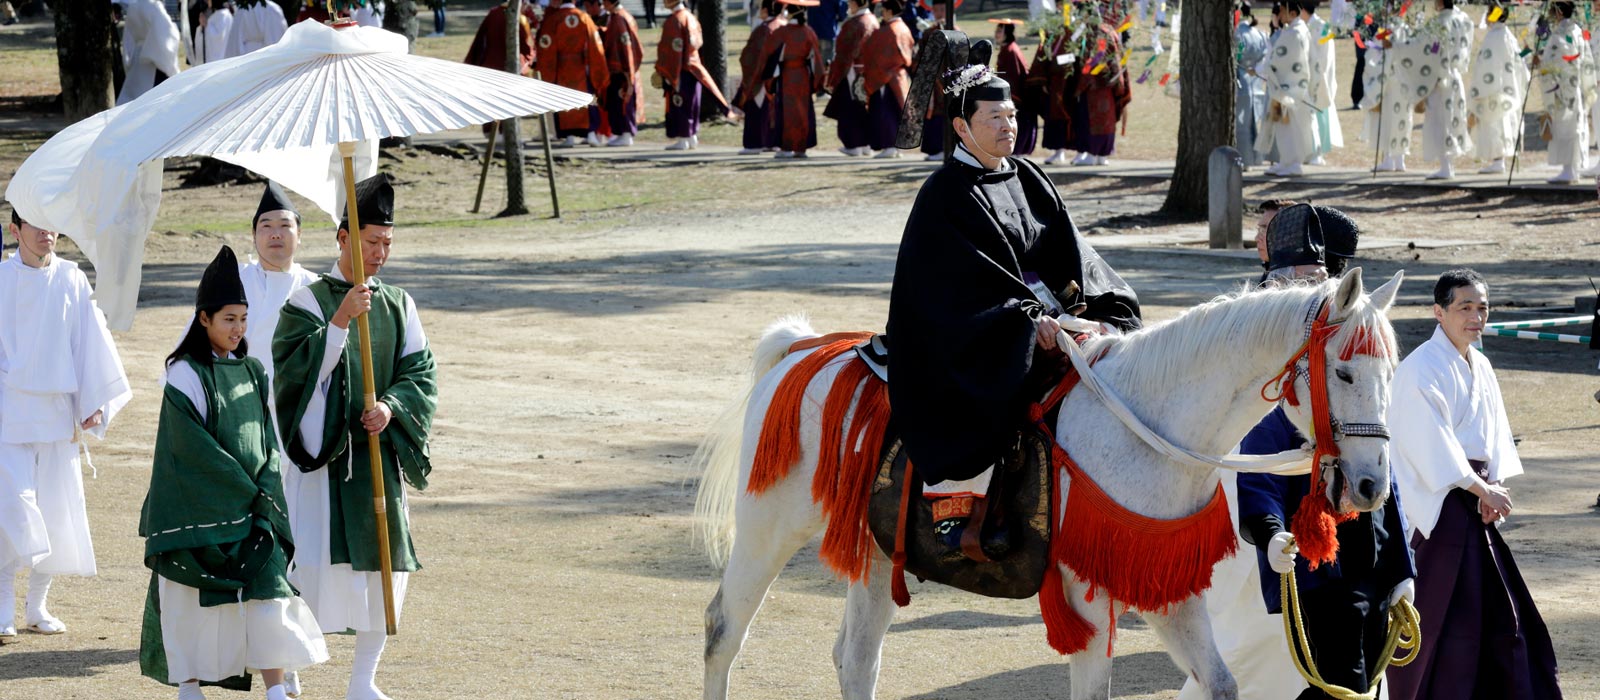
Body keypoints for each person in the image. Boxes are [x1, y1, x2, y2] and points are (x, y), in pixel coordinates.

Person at [885, 60, 1141, 548]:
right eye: (994, 119)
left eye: (1012, 116)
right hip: (970, 326)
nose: (1008, 127)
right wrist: (1028, 320)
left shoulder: (1026, 172)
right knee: (997, 377)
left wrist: (1089, 302)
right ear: (962, 127)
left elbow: (1067, 246)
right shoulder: (945, 193)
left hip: (1042, 307)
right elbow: (959, 285)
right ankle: (966, 503)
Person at [1236, 205, 1416, 700]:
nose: (1313, 288)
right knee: (1344, 686)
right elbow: (1259, 475)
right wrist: (1271, 534)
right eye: (1300, 280)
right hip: (1315, 569)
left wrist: (1401, 570)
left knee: (1358, 685)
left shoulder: (1353, 354)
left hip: (1371, 561)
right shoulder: (1280, 381)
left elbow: (1385, 477)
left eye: (1319, 277)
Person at [273, 175, 438, 700]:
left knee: (384, 573)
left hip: (377, 461)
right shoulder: (307, 302)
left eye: (388, 242)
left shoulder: (399, 304)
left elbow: (421, 374)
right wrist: (339, 323)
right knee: (310, 568)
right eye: (371, 241)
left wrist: (390, 407)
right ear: (343, 238)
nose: (381, 252)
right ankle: (289, 665)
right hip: (325, 465)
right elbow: (291, 377)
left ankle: (363, 679)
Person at [138, 246, 328, 700]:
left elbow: (266, 440)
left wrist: (264, 487)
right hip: (196, 506)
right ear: (203, 319)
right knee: (189, 600)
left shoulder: (255, 371)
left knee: (269, 594)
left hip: (252, 506)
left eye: (243, 319)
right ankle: (188, 686)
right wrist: (241, 490)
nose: (238, 329)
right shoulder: (184, 373)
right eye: (229, 319)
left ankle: (276, 688)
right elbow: (188, 448)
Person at [1386, 269, 1566, 699]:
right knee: (1442, 616)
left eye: (1482, 307)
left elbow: (1494, 433)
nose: (1475, 316)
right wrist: (1479, 489)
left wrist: (1494, 483)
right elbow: (1427, 440)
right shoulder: (1419, 369)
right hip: (1443, 505)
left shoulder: (1480, 364)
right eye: (1464, 307)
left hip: (1475, 500)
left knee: (1501, 613)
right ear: (1438, 311)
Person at [0, 207, 132, 638]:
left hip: (56, 413)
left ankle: (37, 606)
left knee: (56, 510)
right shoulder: (1, 280)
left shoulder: (72, 278)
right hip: (8, 412)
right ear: (15, 230)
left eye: (51, 223)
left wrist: (93, 402)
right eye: (35, 225)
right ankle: (3, 604)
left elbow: (88, 340)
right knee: (14, 506)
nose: (47, 233)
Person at [656, 0, 730, 150]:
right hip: (694, 66)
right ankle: (691, 136)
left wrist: (672, 74)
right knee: (692, 103)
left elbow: (675, 49)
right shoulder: (691, 17)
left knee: (682, 103)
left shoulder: (675, 20)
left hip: (681, 68)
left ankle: (684, 138)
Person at [537, 0, 610, 147]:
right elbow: (595, 45)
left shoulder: (553, 20)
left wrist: (549, 70)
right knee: (586, 100)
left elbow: (545, 46)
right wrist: (596, 66)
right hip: (582, 67)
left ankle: (569, 137)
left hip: (561, 67)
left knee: (564, 100)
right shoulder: (584, 18)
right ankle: (590, 135)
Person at [1538, 1, 1595, 184]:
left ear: (1560, 12)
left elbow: (1552, 62)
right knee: (1574, 127)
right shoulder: (1578, 31)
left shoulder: (1559, 35)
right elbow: (1587, 61)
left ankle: (1569, 170)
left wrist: (1540, 63)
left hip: (1561, 89)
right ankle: (1572, 169)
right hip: (1575, 87)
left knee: (1565, 128)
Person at [761, 0, 826, 159]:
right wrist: (816, 80)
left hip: (787, 75)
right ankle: (801, 148)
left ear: (789, 12)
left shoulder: (782, 32)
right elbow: (816, 59)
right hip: (803, 75)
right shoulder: (808, 31)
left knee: (786, 111)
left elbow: (770, 55)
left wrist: (771, 77)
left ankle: (786, 147)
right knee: (803, 110)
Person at [1468, 4, 1526, 175]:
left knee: (1495, 125)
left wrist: (1478, 90)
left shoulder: (1494, 37)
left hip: (1492, 90)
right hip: (1505, 89)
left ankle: (1498, 160)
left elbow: (1487, 66)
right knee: (1503, 124)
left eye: (1488, 12)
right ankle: (1499, 160)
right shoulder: (1508, 35)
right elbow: (1519, 61)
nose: (1485, 16)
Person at [1258, 0, 1315, 177]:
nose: (1280, 15)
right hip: (1290, 86)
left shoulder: (1294, 33)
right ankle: (1286, 161)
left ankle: (1293, 163)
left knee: (1290, 127)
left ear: (1292, 13)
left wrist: (1265, 68)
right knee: (1284, 127)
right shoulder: (1298, 30)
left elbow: (1280, 60)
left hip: (1289, 88)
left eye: (1282, 11)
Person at [1419, 0, 1474, 180]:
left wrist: (1432, 74)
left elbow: (1435, 50)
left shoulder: (1441, 23)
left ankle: (1446, 165)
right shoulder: (1461, 20)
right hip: (1455, 76)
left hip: (1441, 78)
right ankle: (1448, 164)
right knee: (1452, 118)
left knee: (1441, 120)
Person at [1068, 19, 1132, 166]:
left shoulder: (1100, 33)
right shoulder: (1106, 31)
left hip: (1097, 86)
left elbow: (1100, 58)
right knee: (1100, 120)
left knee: (1097, 120)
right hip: (1104, 86)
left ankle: (1095, 153)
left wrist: (1086, 80)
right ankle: (1100, 155)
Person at [825, 0, 878, 157]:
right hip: (868, 71)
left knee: (849, 109)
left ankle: (853, 144)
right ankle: (866, 144)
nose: (848, 5)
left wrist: (834, 74)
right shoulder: (873, 20)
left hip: (851, 71)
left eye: (850, 2)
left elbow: (844, 53)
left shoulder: (854, 24)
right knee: (864, 107)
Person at [861, 0, 914, 158]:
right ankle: (896, 147)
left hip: (885, 76)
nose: (881, 13)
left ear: (889, 11)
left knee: (886, 111)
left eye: (883, 10)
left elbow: (873, 53)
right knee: (896, 109)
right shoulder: (903, 28)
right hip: (900, 75)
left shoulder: (887, 31)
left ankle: (890, 146)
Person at [735, 0, 783, 154]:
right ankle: (771, 142)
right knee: (773, 111)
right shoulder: (782, 25)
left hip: (761, 76)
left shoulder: (764, 30)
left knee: (757, 110)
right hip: (778, 76)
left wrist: (751, 75)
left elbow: (752, 56)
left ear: (766, 10)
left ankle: (754, 144)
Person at [114, 0, 182, 105]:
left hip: (137, 62)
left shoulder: (133, 7)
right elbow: (168, 34)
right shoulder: (154, 6)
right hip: (155, 64)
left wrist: (129, 63)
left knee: (134, 101)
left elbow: (128, 39)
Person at [1303, 0, 1342, 167]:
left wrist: (1317, 74)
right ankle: (1307, 150)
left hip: (1319, 77)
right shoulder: (1304, 26)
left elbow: (1325, 56)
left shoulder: (1323, 27)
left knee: (1320, 114)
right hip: (1307, 76)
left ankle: (1318, 152)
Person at [991, 19, 1036, 158]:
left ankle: (1017, 151)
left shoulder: (1010, 50)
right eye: (996, 31)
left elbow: (1013, 77)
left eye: (999, 31)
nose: (996, 34)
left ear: (1006, 33)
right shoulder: (1007, 48)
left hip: (1016, 97)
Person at [601, 0, 643, 146]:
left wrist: (627, 71)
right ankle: (622, 133)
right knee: (618, 103)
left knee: (623, 102)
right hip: (621, 68)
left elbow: (625, 47)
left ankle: (626, 134)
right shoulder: (622, 16)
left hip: (621, 68)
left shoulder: (619, 19)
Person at [1235, 2, 1270, 169]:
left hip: (1239, 80)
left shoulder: (1236, 35)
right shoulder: (1260, 34)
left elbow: (1236, 57)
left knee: (1240, 124)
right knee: (1253, 123)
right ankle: (1255, 157)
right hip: (1255, 82)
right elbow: (1264, 58)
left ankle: (1243, 159)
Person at [464, 0, 537, 78]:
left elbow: (479, 40)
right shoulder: (521, 19)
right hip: (512, 70)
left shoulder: (493, 13)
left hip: (489, 66)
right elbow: (527, 49)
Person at [1038, 29, 1073, 164]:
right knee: (1052, 118)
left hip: (1065, 85)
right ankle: (1057, 151)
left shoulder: (1070, 34)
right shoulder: (1051, 36)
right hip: (1053, 85)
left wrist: (1056, 62)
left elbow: (1073, 56)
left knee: (1063, 117)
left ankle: (1062, 152)